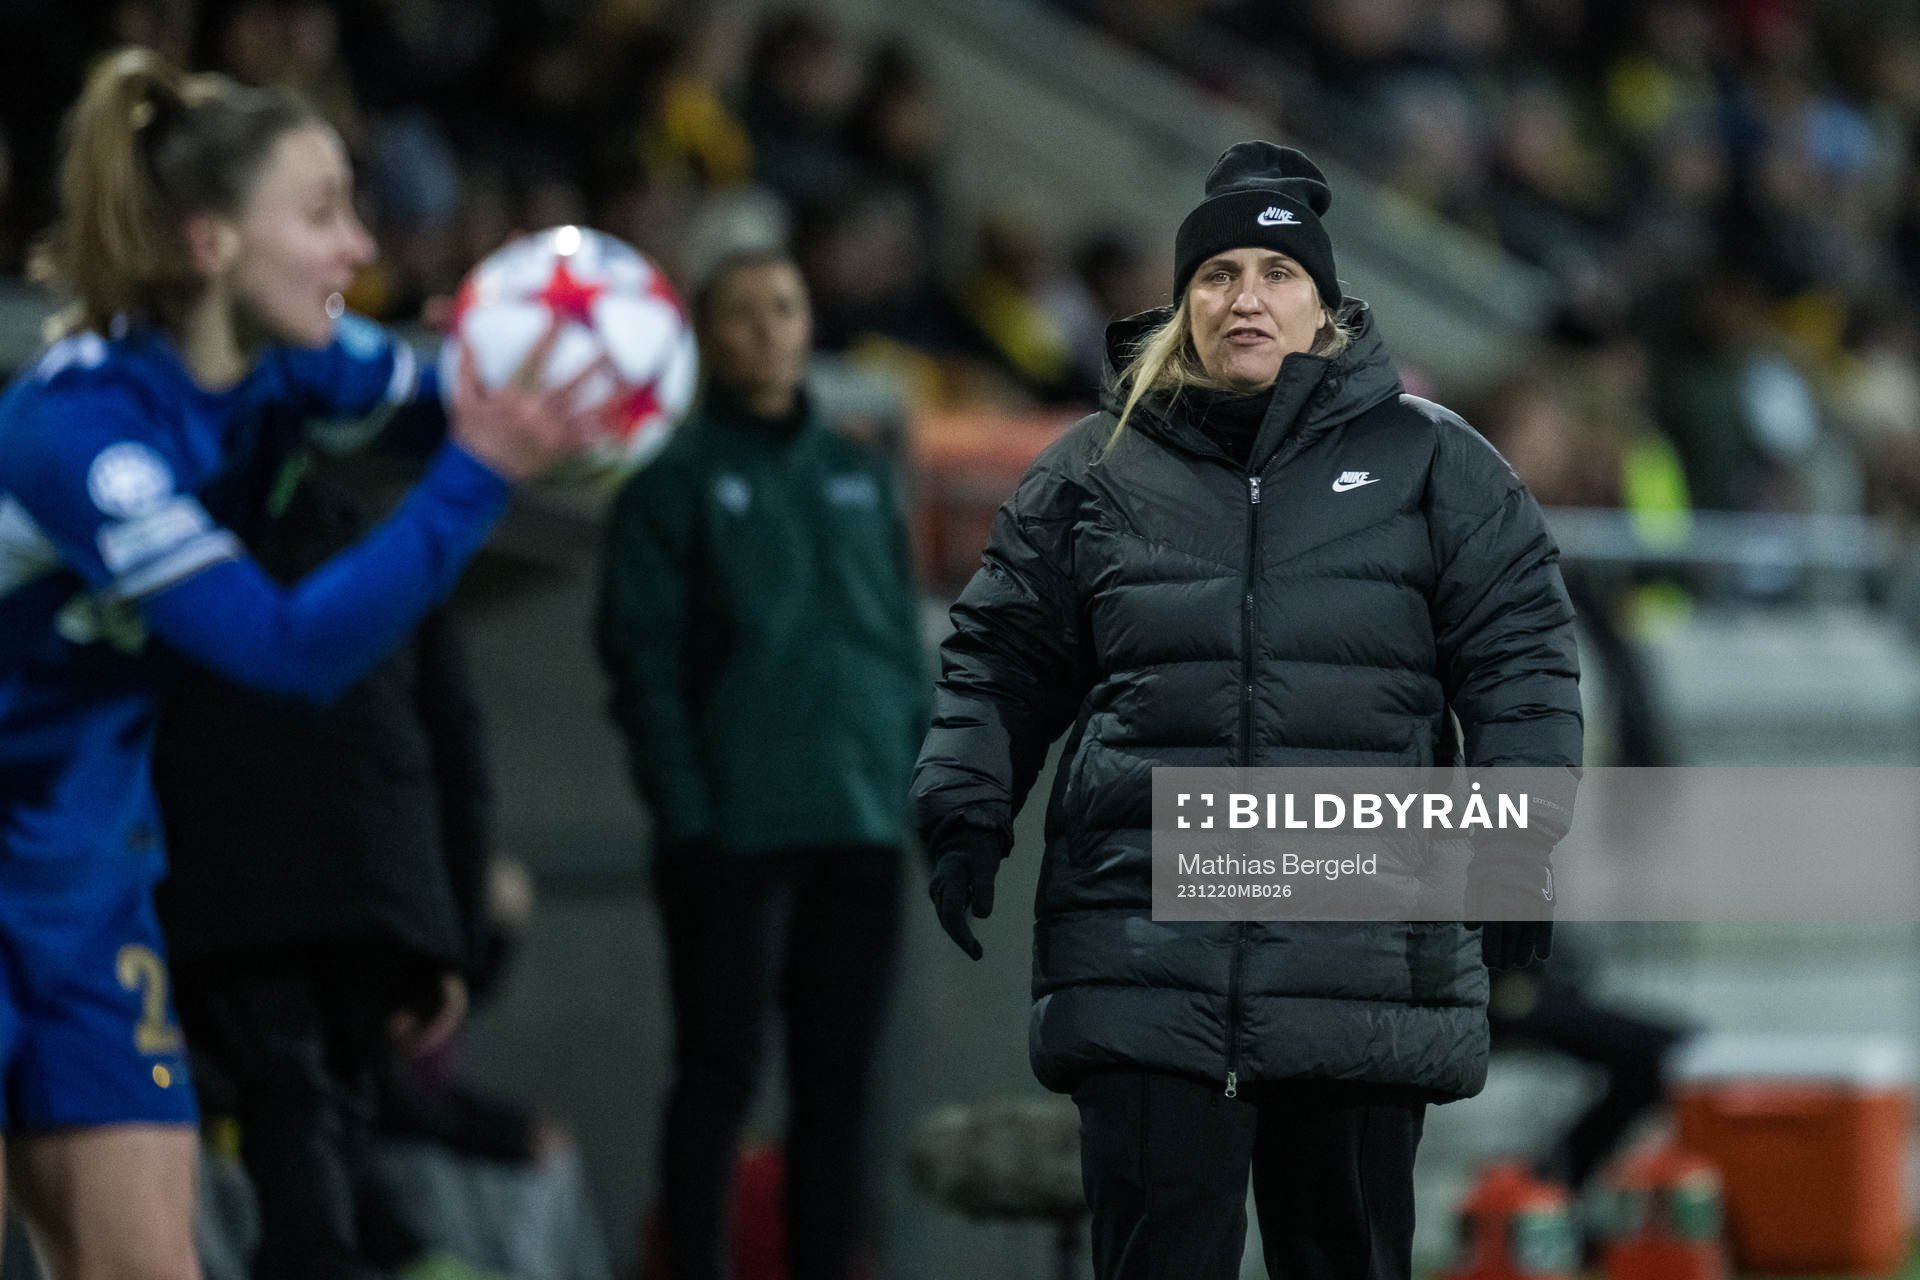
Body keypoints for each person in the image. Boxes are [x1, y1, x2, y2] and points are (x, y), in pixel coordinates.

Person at [911, 142, 1583, 1280]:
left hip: (1361, 956)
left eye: (1276, 271)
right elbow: (999, 658)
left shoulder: (1438, 466)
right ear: (1183, 306)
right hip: (1146, 948)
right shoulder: (1093, 470)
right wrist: (967, 801)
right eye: (1217, 273)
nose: (1245, 296)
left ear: (1325, 306)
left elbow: (1522, 665)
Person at [0, 47, 600, 1280]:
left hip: (80, 882)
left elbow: (455, 403)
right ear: (210, 243)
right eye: (323, 212)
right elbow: (282, 647)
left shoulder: (292, 366)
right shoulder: (80, 430)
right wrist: (481, 467)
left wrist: (538, 363)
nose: (359, 249)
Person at [596, 247, 927, 1280]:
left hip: (862, 822)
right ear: (705, 335)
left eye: (783, 306)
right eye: (740, 314)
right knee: (718, 1075)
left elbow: (897, 645)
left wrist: (914, 773)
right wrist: (688, 814)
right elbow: (640, 665)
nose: (767, 329)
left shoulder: (861, 473)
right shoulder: (670, 485)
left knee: (840, 1088)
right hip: (732, 833)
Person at [150, 466, 497, 1280]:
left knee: (293, 1107)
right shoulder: (389, 541)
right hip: (378, 889)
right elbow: (457, 740)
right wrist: (456, 941)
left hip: (229, 883)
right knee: (330, 1107)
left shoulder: (164, 536)